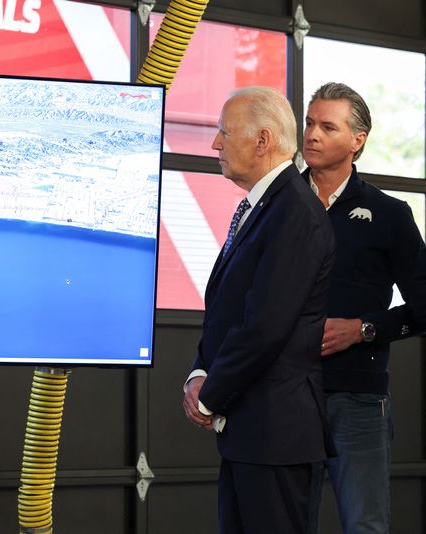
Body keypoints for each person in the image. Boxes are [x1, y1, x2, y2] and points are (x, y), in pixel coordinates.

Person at [182, 86, 335, 534]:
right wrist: (198, 373)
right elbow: (229, 310)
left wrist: (210, 394)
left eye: (224, 133)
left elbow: (266, 325)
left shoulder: (296, 213)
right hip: (250, 434)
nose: (215, 144)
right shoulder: (265, 207)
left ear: (263, 141)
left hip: (277, 437)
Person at [303, 82, 426, 534]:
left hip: (357, 400)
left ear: (358, 141)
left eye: (327, 126)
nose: (312, 134)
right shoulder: (274, 207)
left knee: (366, 526)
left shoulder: (390, 214)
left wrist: (364, 329)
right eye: (309, 123)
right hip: (283, 396)